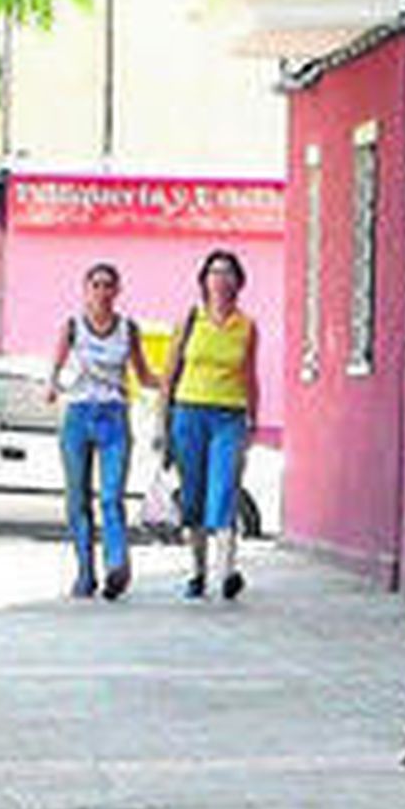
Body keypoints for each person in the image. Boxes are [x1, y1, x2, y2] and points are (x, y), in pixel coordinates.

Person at [47, 263, 158, 600]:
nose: (102, 291)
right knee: (78, 498)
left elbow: (142, 375)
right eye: (95, 284)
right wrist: (52, 387)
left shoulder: (128, 329)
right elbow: (55, 369)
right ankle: (85, 573)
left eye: (108, 285)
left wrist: (174, 382)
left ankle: (116, 565)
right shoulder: (71, 327)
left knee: (111, 496)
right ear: (86, 289)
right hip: (78, 415)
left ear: (117, 290)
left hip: (114, 415)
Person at [160, 249, 260, 601]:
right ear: (204, 281)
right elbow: (169, 374)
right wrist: (162, 424)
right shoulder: (190, 320)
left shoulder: (246, 326)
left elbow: (250, 375)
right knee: (194, 496)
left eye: (228, 273)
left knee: (225, 489)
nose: (220, 279)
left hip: (229, 415)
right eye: (214, 273)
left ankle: (228, 571)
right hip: (189, 413)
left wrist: (253, 421)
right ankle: (197, 572)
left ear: (238, 282)